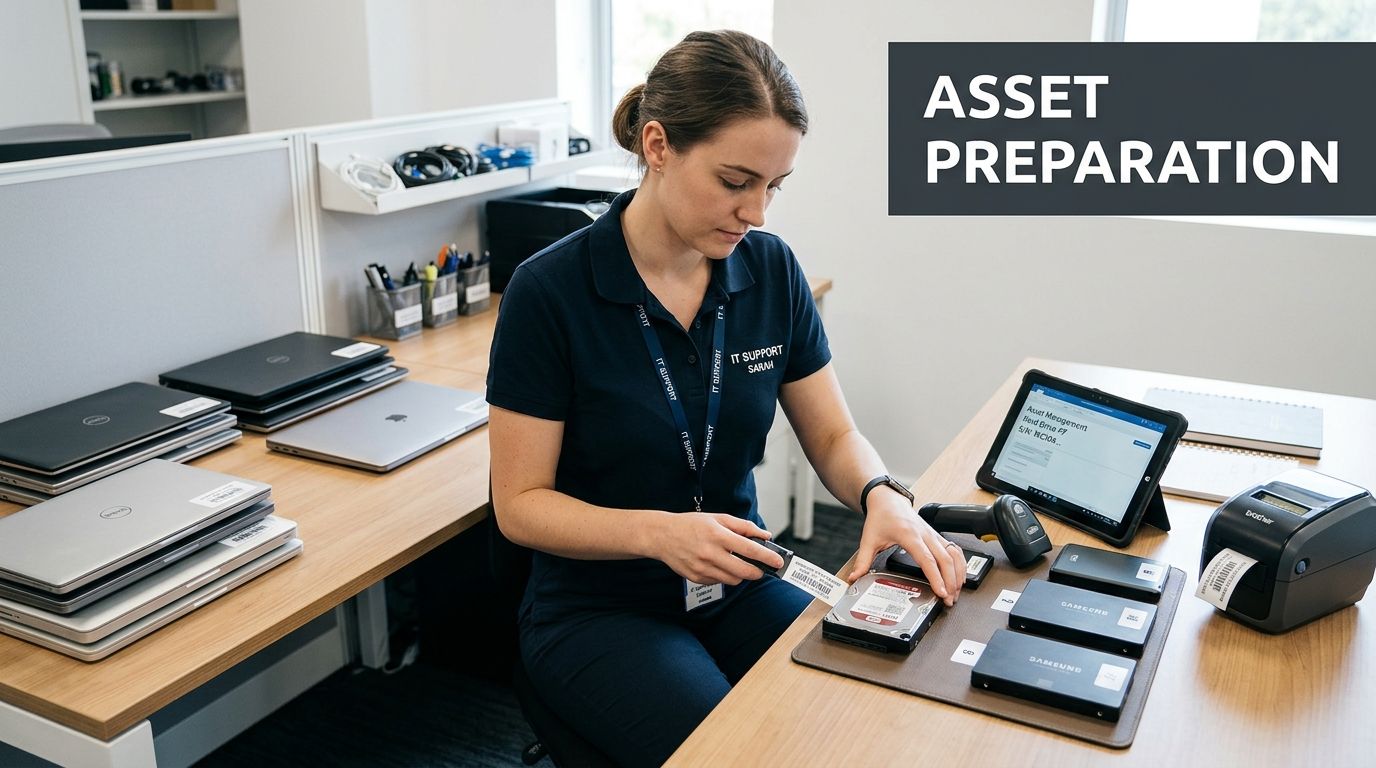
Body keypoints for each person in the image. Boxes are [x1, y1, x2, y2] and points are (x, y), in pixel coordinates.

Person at [487, 29, 964, 767]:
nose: (758, 213)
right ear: (657, 145)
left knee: (863, 709)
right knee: (737, 752)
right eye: (737, 182)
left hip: (742, 580)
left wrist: (882, 494)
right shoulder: (549, 291)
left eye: (775, 187)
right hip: (601, 605)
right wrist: (659, 534)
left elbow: (834, 438)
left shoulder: (769, 269)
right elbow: (519, 504)